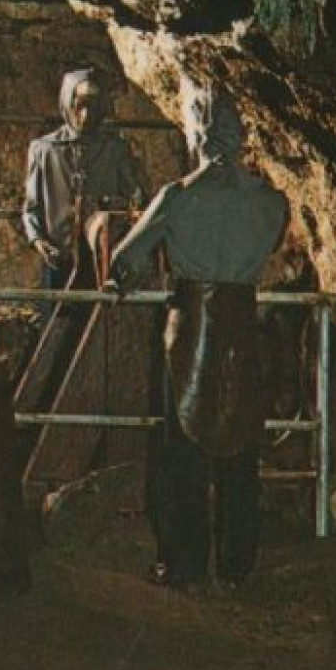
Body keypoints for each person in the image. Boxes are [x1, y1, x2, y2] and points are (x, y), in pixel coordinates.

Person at [109, 83, 288, 588]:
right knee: (240, 447)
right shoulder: (270, 202)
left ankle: (184, 562)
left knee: (181, 451)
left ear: (196, 132)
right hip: (242, 329)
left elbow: (125, 259)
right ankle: (237, 562)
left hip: (189, 329)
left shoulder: (177, 198)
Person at [21, 68, 146, 289]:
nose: (86, 115)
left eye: (93, 106)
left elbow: (136, 199)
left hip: (102, 259)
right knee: (58, 317)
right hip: (58, 255)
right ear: (67, 104)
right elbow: (31, 206)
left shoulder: (114, 150)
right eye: (80, 106)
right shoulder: (44, 150)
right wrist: (38, 241)